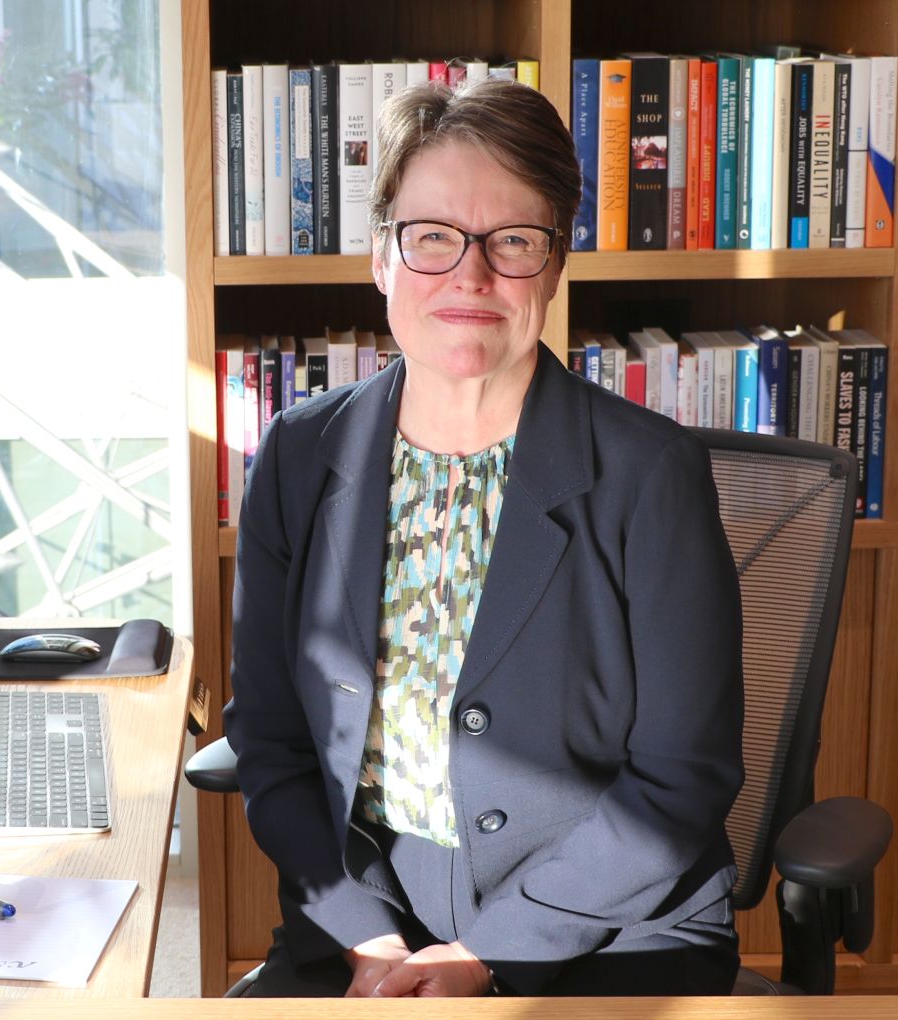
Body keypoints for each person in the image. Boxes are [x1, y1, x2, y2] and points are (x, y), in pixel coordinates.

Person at [223, 77, 745, 998]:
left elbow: (679, 781)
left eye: (512, 240)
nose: (470, 276)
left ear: (553, 264)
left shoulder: (651, 475)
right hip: (364, 912)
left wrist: (487, 955)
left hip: (604, 927)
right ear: (383, 257)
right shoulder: (298, 458)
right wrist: (364, 936)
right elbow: (271, 741)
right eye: (433, 238)